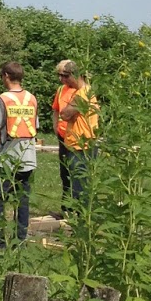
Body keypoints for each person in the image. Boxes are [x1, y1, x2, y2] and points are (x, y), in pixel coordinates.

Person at [0, 62, 38, 249]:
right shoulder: (31, 98)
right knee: (22, 200)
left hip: (7, 158)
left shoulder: (3, 99)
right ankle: (20, 240)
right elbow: (34, 126)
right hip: (28, 157)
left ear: (6, 75)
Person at [51, 59, 100, 213]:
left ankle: (80, 221)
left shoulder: (82, 94)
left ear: (74, 75)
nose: (62, 80)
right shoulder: (80, 92)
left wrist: (68, 113)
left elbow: (65, 113)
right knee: (73, 182)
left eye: (65, 76)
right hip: (76, 143)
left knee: (80, 187)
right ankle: (75, 217)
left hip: (81, 146)